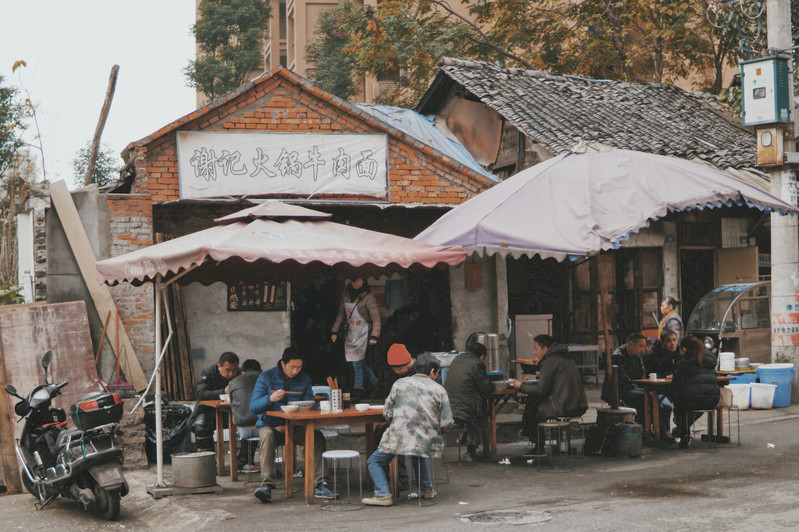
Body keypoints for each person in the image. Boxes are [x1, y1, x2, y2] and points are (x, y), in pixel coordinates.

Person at [363, 353, 453, 507]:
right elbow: (447, 422)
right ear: (432, 371)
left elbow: (387, 413)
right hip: (427, 438)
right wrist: (436, 432)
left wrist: (397, 424)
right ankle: (427, 490)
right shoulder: (439, 390)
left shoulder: (399, 384)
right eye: (437, 372)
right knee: (418, 454)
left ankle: (383, 494)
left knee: (374, 461)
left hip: (399, 436)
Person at [249, 347, 337, 503]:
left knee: (317, 437)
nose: (296, 371)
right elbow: (254, 406)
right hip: (270, 425)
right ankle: (266, 484)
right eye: (292, 367)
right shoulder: (266, 377)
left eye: (299, 367)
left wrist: (293, 423)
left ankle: (321, 484)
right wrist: (270, 399)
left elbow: (309, 404)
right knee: (267, 435)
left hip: (295, 426)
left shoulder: (304, 379)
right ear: (283, 364)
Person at [510, 335, 587, 451]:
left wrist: (520, 386)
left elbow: (540, 390)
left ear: (545, 349)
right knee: (534, 402)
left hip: (563, 406)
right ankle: (534, 437)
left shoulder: (550, 361)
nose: (534, 352)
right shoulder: (566, 358)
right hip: (577, 404)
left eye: (536, 348)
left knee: (533, 407)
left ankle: (538, 446)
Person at [602, 332, 673, 440]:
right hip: (621, 391)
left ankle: (663, 431)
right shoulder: (618, 356)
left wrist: (644, 383)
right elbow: (624, 380)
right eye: (641, 346)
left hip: (637, 388)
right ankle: (647, 431)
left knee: (665, 402)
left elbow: (643, 373)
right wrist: (640, 385)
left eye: (644, 346)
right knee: (648, 399)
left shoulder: (637, 356)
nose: (643, 349)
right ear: (630, 344)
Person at [443, 334, 492, 462]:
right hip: (463, 409)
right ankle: (471, 451)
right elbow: (485, 388)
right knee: (477, 412)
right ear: (482, 356)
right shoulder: (477, 364)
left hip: (448, 406)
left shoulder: (458, 359)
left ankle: (466, 438)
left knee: (471, 405)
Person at [330, 277, 381, 398]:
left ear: (363, 281)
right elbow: (341, 313)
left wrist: (374, 336)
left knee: (356, 362)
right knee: (357, 360)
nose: (355, 283)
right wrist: (334, 331)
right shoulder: (346, 294)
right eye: (353, 280)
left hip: (363, 331)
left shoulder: (368, 297)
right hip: (351, 332)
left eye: (358, 280)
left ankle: (358, 388)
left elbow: (376, 318)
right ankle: (375, 382)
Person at [671, 334, 720, 449]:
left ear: (684, 349)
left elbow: (675, 385)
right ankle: (682, 429)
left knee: (679, 403)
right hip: (712, 400)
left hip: (692, 401)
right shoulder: (710, 361)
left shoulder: (684, 363)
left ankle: (683, 432)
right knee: (694, 401)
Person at [189, 352, 240, 452]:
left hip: (233, 411)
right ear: (219, 366)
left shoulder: (240, 373)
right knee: (201, 426)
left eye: (235, 370)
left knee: (251, 423)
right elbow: (201, 393)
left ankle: (244, 460)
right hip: (208, 411)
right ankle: (208, 460)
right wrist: (222, 392)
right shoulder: (208, 373)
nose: (231, 374)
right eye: (227, 370)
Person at [229, 359, 262, 473]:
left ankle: (243, 461)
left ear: (242, 372)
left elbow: (232, 405)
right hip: (265, 429)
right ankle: (245, 461)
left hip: (243, 428)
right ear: (261, 370)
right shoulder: (267, 378)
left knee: (242, 415)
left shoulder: (233, 382)